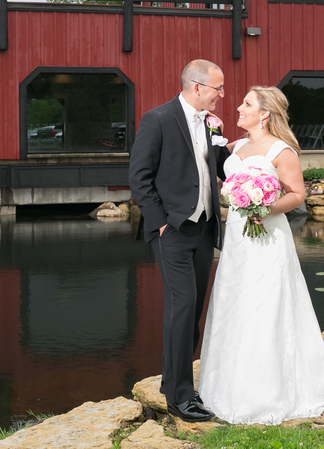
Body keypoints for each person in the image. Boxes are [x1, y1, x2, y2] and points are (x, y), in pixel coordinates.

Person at [198, 86, 324, 424]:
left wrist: (266, 207)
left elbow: (297, 194)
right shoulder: (235, 147)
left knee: (267, 305)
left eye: (247, 104)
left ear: (264, 113)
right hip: (239, 238)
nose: (238, 107)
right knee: (234, 302)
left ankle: (270, 390)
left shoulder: (283, 151)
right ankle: (227, 384)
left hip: (268, 237)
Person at [128, 59, 230, 423]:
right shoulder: (157, 119)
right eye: (218, 88)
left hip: (204, 229)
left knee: (195, 307)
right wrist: (160, 225)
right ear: (197, 86)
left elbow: (217, 168)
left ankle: (173, 378)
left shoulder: (210, 122)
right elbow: (139, 177)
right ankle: (180, 398)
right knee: (182, 305)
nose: (223, 94)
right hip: (172, 230)